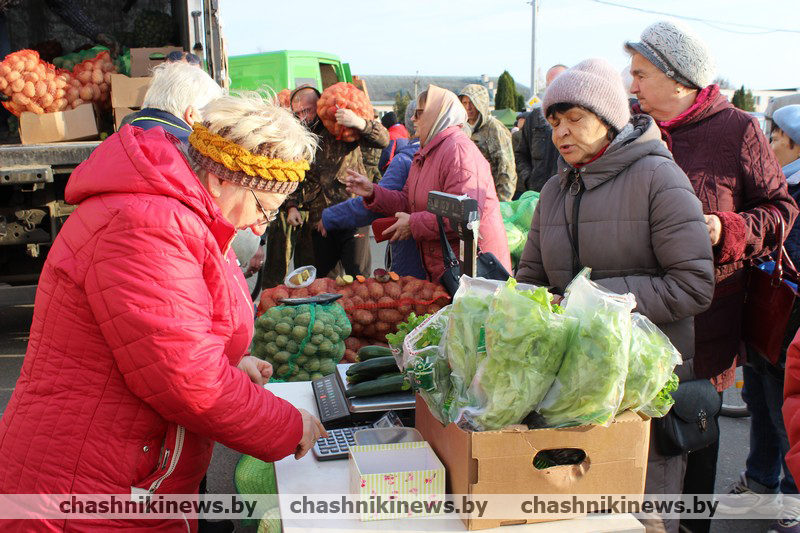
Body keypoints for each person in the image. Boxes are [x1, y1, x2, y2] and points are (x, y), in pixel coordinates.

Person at [0, 92, 326, 531]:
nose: (257, 224)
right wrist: (286, 426)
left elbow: (170, 335)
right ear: (222, 179)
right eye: (264, 209)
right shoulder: (146, 224)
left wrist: (232, 361)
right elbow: (187, 377)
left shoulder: (189, 217)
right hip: (82, 488)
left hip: (128, 475)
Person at [516, 58, 715, 533]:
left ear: (608, 119)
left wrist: (589, 302)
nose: (562, 132)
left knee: (641, 517)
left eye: (575, 118)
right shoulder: (554, 191)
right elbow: (531, 278)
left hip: (641, 391)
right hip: (570, 394)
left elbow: (693, 284)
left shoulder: (659, 178)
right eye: (554, 122)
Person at [625, 20, 798, 533]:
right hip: (632, 317)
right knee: (631, 449)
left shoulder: (737, 130)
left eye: (641, 74)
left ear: (680, 79)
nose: (632, 85)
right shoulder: (627, 128)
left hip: (706, 326)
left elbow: (781, 209)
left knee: (692, 440)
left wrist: (727, 228)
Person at [345, 85, 511, 283]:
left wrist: (413, 224)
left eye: (419, 113)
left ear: (437, 114)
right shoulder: (425, 153)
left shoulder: (458, 151)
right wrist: (373, 192)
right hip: (450, 269)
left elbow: (464, 215)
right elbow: (407, 201)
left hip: (476, 272)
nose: (413, 119)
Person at [285, 85, 389, 279]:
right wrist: (291, 206)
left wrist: (359, 123)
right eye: (297, 113)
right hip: (319, 221)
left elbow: (383, 140)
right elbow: (294, 174)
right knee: (326, 283)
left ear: (320, 106)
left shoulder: (340, 128)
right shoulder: (298, 137)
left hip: (351, 215)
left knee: (359, 280)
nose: (302, 118)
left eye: (307, 111)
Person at [322, 100, 426, 279]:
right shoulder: (453, 152)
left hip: (414, 260)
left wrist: (330, 216)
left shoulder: (405, 160)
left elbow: (377, 206)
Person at [514, 64, 567, 195]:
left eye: (558, 83)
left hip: (567, 194)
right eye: (549, 85)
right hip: (537, 195)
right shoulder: (534, 118)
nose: (553, 89)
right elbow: (520, 154)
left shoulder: (579, 119)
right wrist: (528, 179)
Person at [458, 84, 517, 201]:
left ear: (481, 104)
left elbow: (506, 166)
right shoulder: (461, 128)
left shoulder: (494, 128)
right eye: (464, 103)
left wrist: (503, 201)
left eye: (472, 103)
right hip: (468, 194)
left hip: (491, 196)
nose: (468, 107)